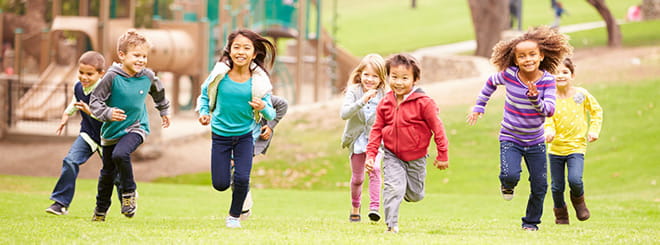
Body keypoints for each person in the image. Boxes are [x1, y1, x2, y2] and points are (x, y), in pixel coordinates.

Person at [466, 26, 572, 231]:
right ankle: (507, 184)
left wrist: (534, 99)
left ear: (541, 56)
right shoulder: (509, 75)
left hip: (536, 141)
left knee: (540, 186)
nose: (528, 59)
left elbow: (549, 111)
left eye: (532, 54)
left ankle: (531, 223)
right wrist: (480, 105)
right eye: (522, 56)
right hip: (510, 137)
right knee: (510, 175)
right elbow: (490, 82)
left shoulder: (548, 81)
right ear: (515, 60)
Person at [196, 29, 276, 228]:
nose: (241, 52)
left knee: (242, 177)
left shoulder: (259, 81)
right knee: (221, 184)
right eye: (236, 47)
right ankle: (233, 180)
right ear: (229, 51)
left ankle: (234, 216)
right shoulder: (219, 75)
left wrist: (263, 107)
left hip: (245, 136)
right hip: (220, 136)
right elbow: (205, 95)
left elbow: (272, 115)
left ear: (254, 53)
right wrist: (204, 112)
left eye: (246, 48)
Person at [90, 29, 171, 221]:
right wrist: (108, 113)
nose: (141, 60)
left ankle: (129, 194)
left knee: (121, 154)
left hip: (137, 127)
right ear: (122, 55)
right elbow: (95, 102)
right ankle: (100, 210)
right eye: (136, 55)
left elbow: (158, 92)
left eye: (144, 56)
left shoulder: (148, 76)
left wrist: (164, 111)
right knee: (107, 174)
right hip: (111, 132)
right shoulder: (111, 77)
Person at [364, 53, 449, 233]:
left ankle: (404, 192)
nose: (398, 82)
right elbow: (376, 130)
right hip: (392, 154)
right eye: (394, 77)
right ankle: (391, 226)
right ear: (387, 77)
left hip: (416, 157)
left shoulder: (424, 103)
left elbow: (438, 128)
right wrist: (371, 155)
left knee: (415, 195)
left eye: (404, 78)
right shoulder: (385, 103)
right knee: (393, 188)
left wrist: (443, 154)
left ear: (415, 79)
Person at [45, 51, 106, 215]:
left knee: (114, 175)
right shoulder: (79, 87)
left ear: (101, 74)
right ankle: (60, 203)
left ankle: (127, 198)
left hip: (107, 138)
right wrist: (66, 116)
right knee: (70, 161)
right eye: (81, 72)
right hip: (88, 135)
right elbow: (75, 102)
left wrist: (91, 111)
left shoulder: (105, 90)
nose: (84, 77)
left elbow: (109, 114)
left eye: (89, 74)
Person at [545, 58, 602, 224]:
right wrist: (549, 131)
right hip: (555, 149)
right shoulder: (549, 98)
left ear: (572, 75)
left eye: (564, 72)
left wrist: (594, 130)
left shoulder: (581, 95)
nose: (560, 76)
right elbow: (546, 118)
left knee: (575, 180)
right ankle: (561, 214)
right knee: (556, 187)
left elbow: (596, 111)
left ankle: (579, 202)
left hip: (576, 147)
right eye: (556, 73)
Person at [340, 54, 387, 223]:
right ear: (360, 74)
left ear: (381, 79)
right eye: (367, 74)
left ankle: (374, 208)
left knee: (374, 169)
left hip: (376, 141)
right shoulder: (354, 91)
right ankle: (355, 207)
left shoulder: (384, 95)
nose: (370, 79)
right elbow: (344, 114)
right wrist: (362, 100)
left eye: (375, 76)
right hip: (356, 140)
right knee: (358, 179)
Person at [239, 94, 289, 220]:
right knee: (229, 174)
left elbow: (282, 104)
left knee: (238, 170)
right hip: (231, 134)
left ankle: (243, 208)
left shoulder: (256, 93)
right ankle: (244, 205)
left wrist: (270, 126)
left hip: (252, 137)